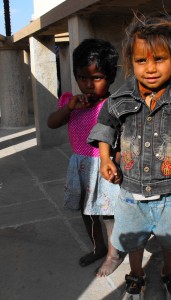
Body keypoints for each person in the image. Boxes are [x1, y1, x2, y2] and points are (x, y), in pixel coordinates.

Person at [88, 15, 171, 299]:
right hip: (131, 191)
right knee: (133, 240)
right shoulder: (120, 98)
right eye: (142, 61)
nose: (151, 68)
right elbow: (106, 126)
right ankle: (136, 275)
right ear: (131, 62)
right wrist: (106, 158)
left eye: (159, 59)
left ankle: (170, 273)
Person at [47, 38, 123, 277]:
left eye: (96, 78)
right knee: (86, 211)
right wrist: (69, 108)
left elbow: (122, 138)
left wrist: (117, 163)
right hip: (79, 165)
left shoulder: (114, 104)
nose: (88, 84)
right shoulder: (72, 101)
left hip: (105, 165)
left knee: (108, 213)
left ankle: (113, 254)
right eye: (82, 77)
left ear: (110, 78)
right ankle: (98, 247)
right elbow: (52, 123)